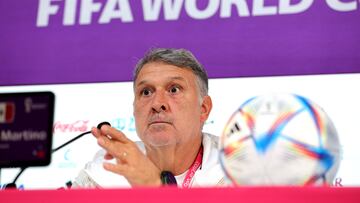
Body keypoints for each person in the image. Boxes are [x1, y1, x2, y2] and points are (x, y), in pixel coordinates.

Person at [72, 48, 226, 188]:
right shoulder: (103, 174)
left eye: (174, 89)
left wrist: (154, 188)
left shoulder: (240, 168)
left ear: (203, 108)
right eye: (146, 92)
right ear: (134, 109)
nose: (157, 104)